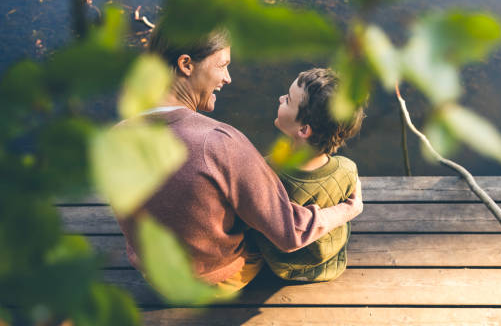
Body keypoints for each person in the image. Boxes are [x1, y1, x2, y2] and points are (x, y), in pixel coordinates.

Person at [115, 23, 363, 293]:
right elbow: (291, 233)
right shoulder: (220, 142)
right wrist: (349, 209)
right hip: (216, 282)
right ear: (186, 64)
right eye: (222, 65)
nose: (228, 78)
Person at [254, 68, 365, 282]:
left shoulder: (268, 170)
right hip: (330, 264)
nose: (280, 99)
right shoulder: (347, 169)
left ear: (304, 130)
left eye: (287, 100)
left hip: (278, 265)